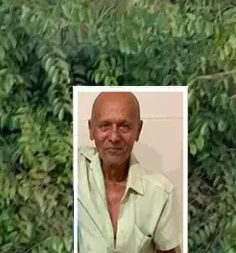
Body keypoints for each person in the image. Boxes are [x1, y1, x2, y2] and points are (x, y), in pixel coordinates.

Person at [77, 91, 182, 253]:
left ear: (138, 131)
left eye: (124, 127)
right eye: (105, 126)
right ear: (91, 129)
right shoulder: (76, 172)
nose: (114, 137)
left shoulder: (160, 194)